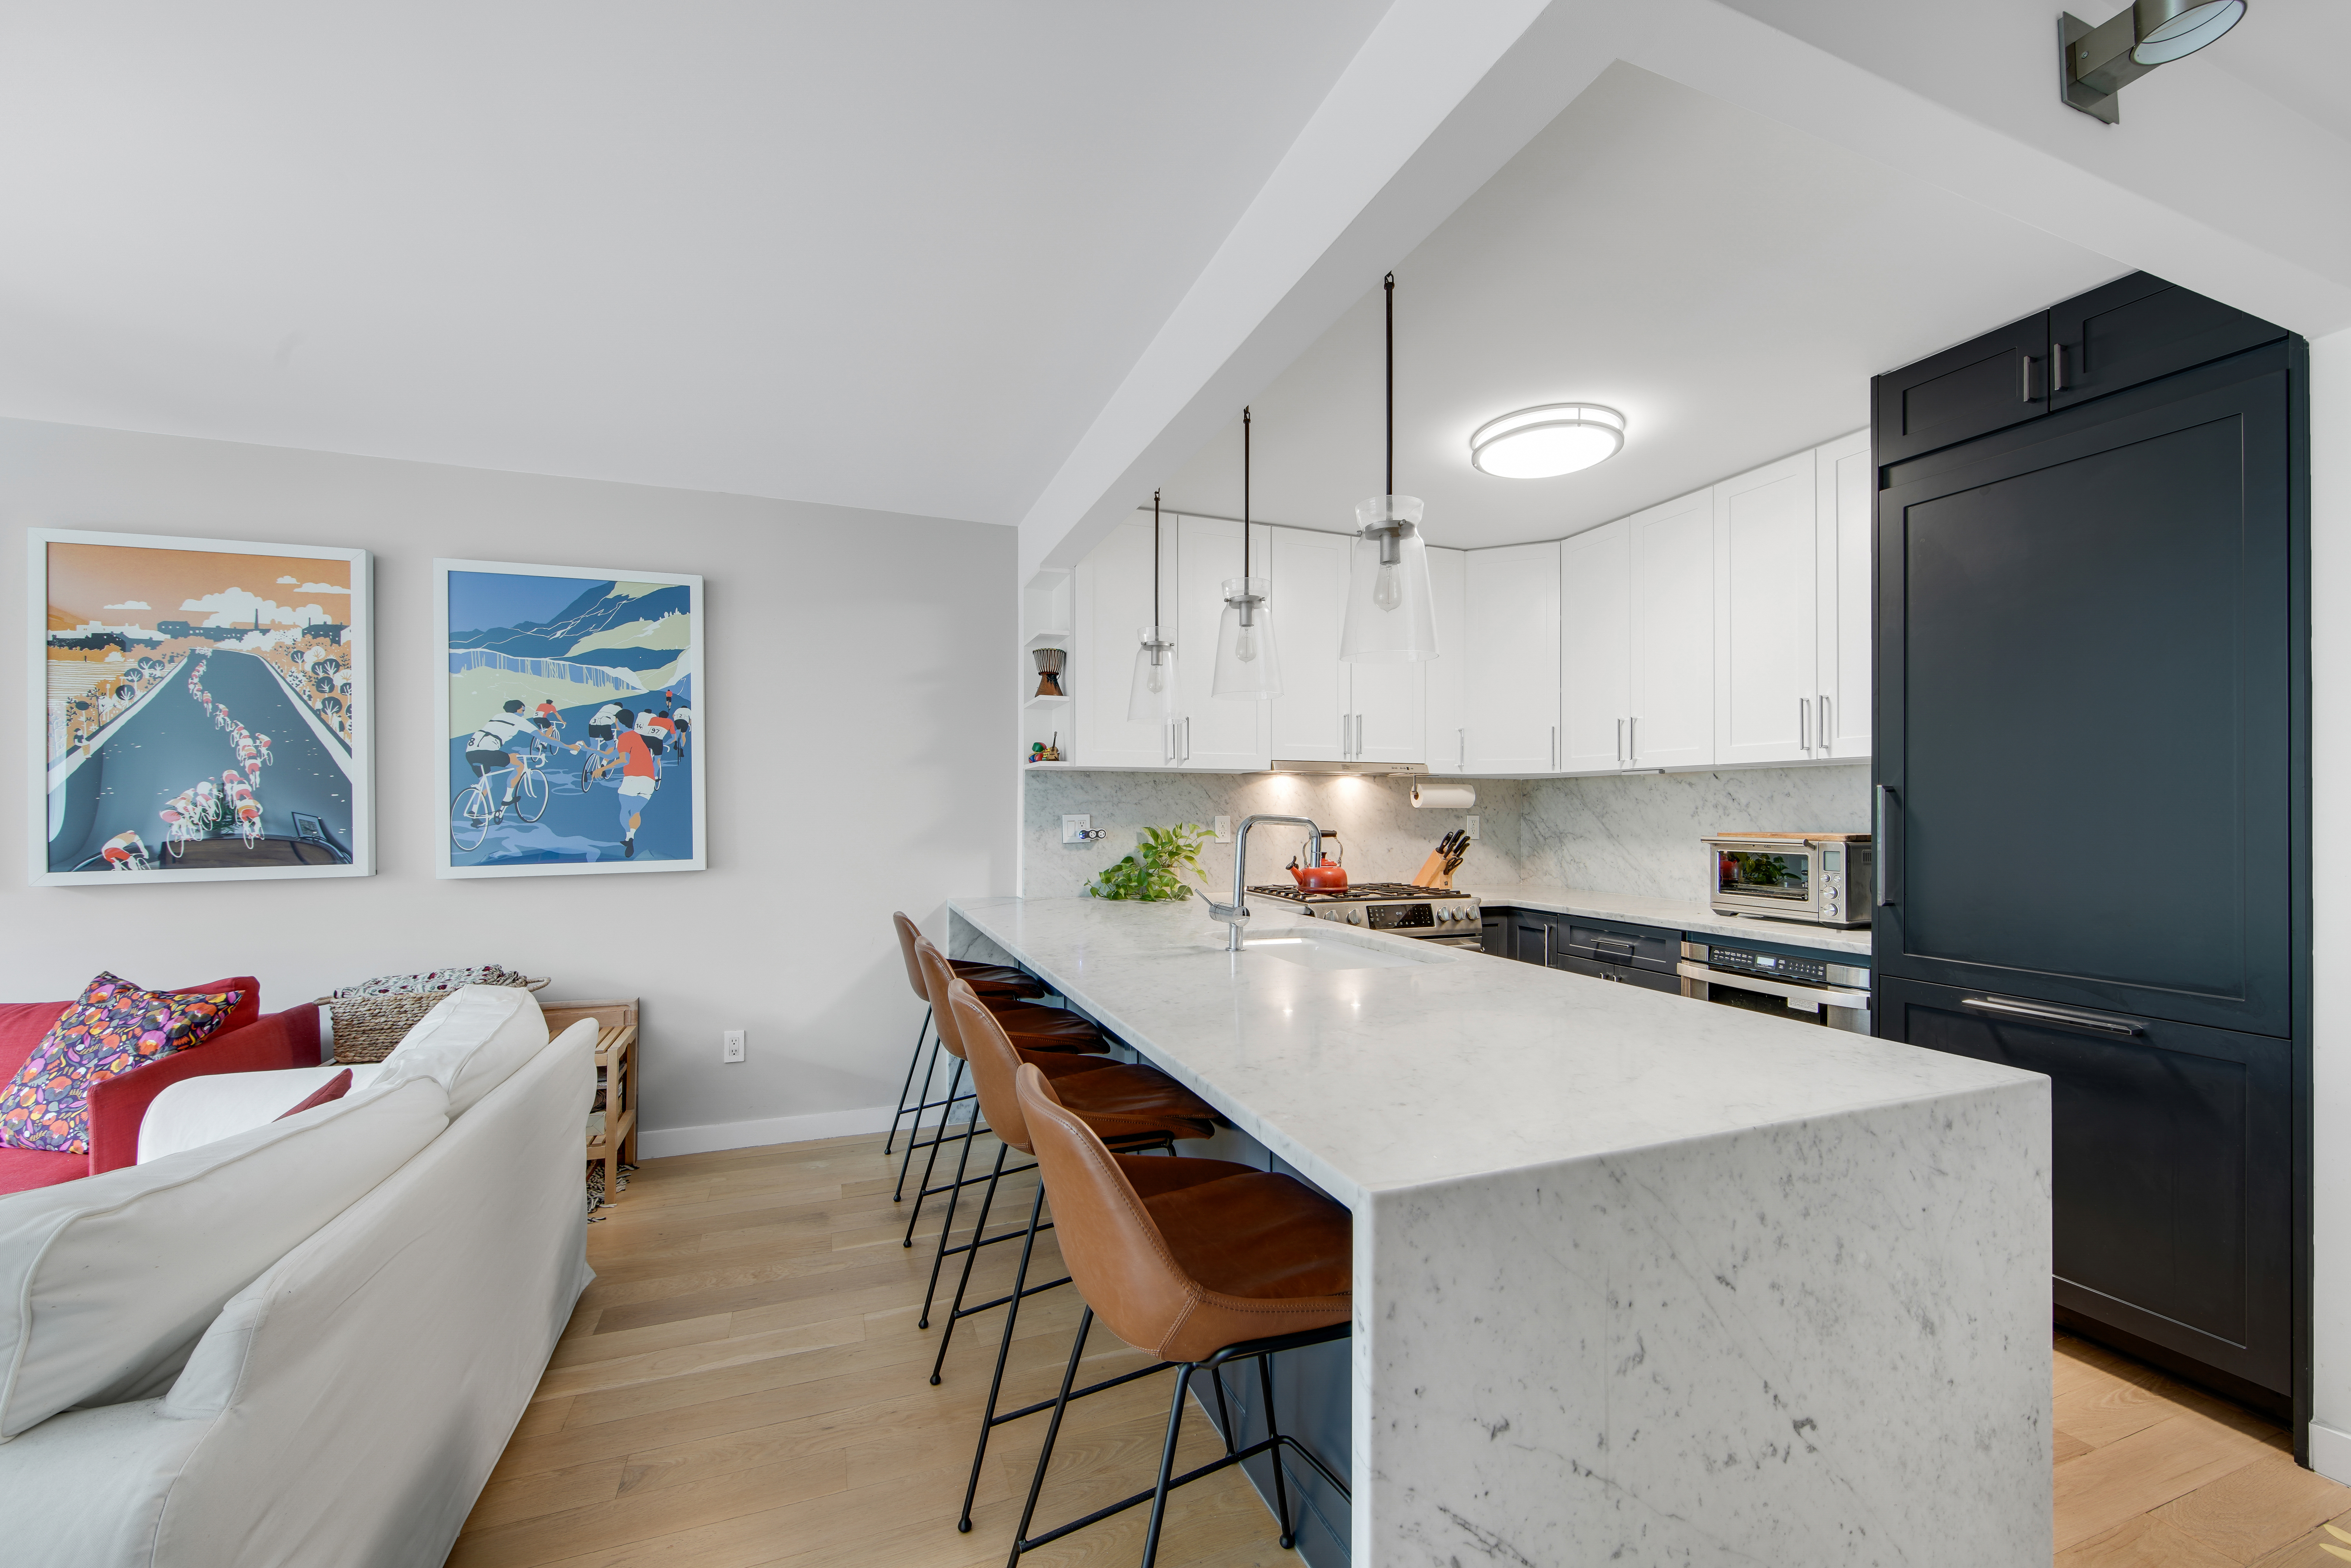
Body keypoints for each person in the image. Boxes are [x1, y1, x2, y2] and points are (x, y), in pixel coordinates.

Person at [464, 699, 537, 813]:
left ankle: (473, 811)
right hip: (487, 753)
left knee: (486, 784)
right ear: (519, 709)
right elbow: (543, 738)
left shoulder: (497, 717)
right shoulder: (518, 720)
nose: (523, 713)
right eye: (523, 710)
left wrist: (510, 756)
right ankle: (508, 799)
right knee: (519, 766)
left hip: (470, 754)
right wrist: (570, 747)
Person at [610, 706, 662, 858]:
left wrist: (605, 767)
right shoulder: (638, 737)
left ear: (619, 722)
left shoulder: (625, 737)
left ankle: (628, 836)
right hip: (649, 781)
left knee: (625, 809)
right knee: (636, 811)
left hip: (633, 778)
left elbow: (623, 759)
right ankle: (631, 837)